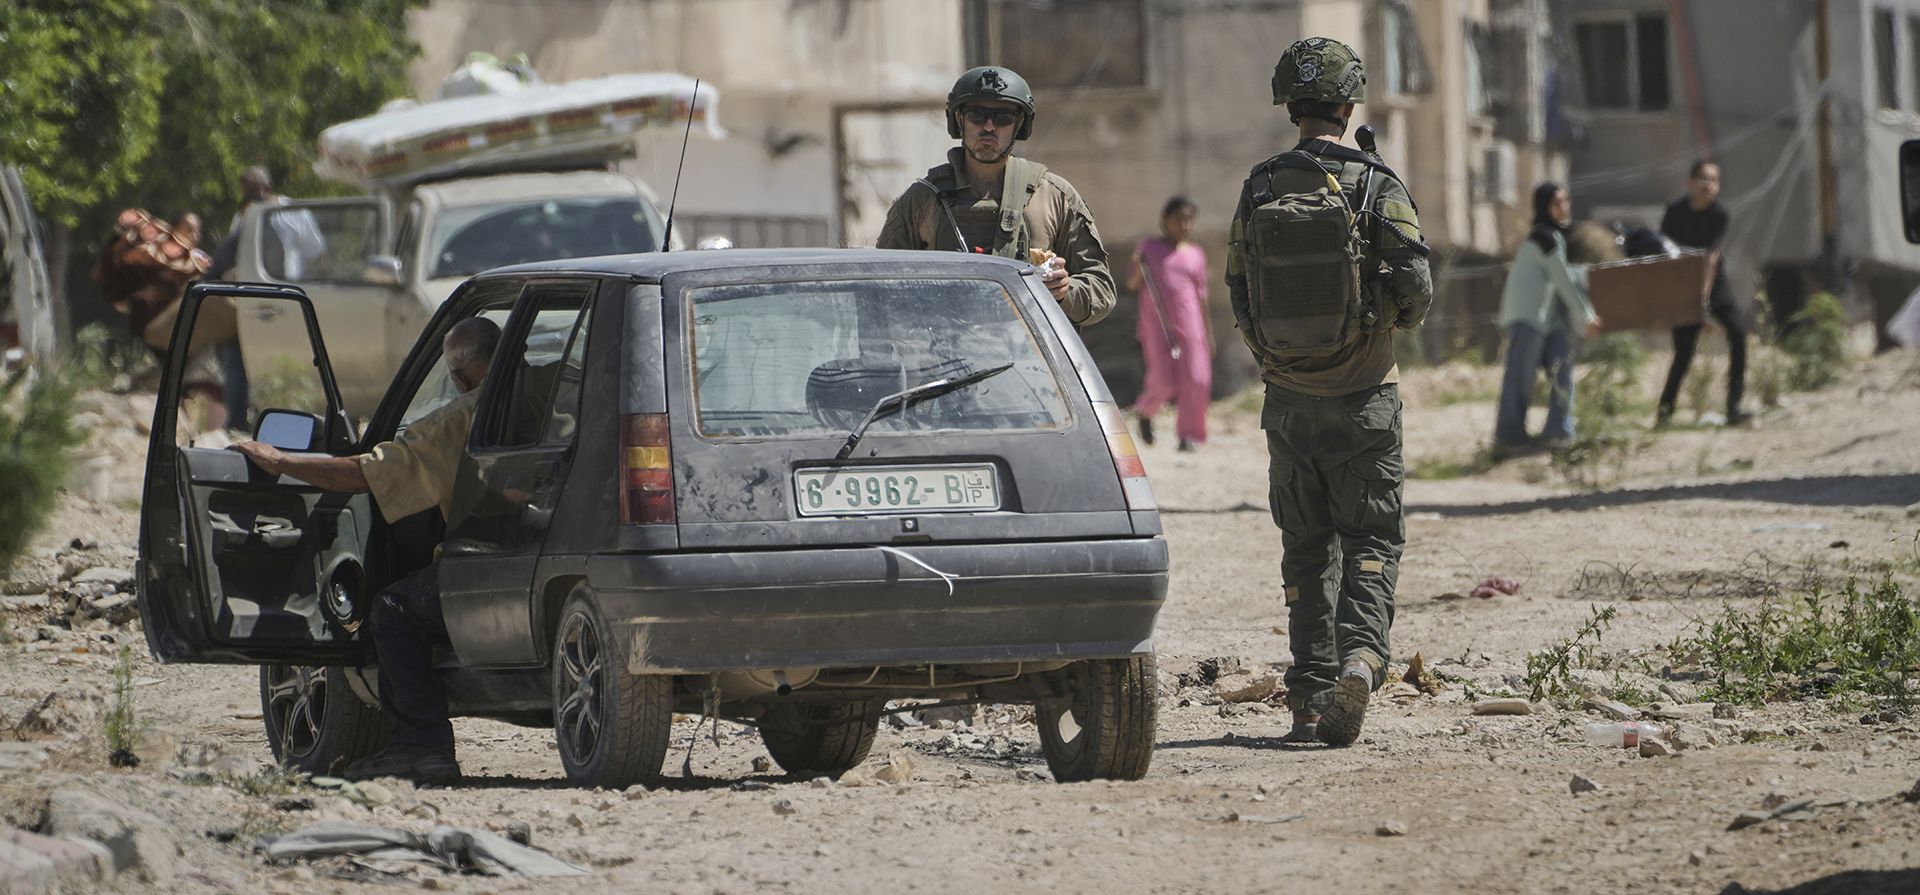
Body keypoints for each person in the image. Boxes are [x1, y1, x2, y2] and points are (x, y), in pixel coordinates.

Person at [1226, 37, 1432, 747]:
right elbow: (1417, 288)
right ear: (1350, 104)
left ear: (1290, 105)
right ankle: (1362, 659)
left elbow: (1237, 289)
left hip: (1287, 403)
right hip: (1366, 396)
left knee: (1305, 551)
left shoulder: (1259, 186)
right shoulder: (1378, 183)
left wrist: (1273, 356)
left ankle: (1310, 700)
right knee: (1371, 539)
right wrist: (1380, 325)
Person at [229, 317, 503, 782]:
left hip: (488, 565)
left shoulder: (459, 419)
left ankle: (422, 746)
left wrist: (280, 462)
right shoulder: (552, 394)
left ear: (458, 378)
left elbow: (367, 474)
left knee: (392, 608)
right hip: (554, 553)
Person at [876, 66, 1115, 326]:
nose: (989, 126)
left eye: (1003, 117)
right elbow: (879, 289)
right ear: (959, 120)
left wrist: (1064, 292)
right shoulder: (922, 200)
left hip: (1032, 359)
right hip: (943, 358)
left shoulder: (1054, 197)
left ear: (1019, 125)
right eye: (977, 114)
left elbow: (1101, 290)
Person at [1493, 183, 1602, 452]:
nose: (1565, 207)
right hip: (1528, 317)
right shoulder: (1545, 238)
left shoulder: (1555, 237)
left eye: (1566, 201)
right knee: (1520, 378)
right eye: (1558, 202)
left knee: (1562, 368)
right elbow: (1563, 280)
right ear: (1545, 206)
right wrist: (1587, 315)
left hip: (1548, 321)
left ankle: (1560, 431)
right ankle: (1509, 436)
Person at [1657, 160, 1750, 427]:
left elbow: (1711, 257)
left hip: (1713, 282)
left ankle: (1734, 406)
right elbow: (1663, 251)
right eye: (1703, 178)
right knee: (1684, 352)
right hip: (1681, 281)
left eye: (1714, 180)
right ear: (1690, 182)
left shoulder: (1719, 214)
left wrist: (1704, 299)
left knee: (1738, 333)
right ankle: (1664, 413)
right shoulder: (1674, 211)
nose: (1708, 184)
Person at [1128, 196, 1212, 451]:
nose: (1184, 225)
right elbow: (1132, 285)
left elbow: (1202, 298)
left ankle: (1189, 436)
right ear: (1165, 221)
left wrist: (1209, 336)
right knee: (1163, 381)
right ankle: (1145, 412)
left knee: (1197, 380)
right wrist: (1138, 267)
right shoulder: (1149, 248)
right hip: (1157, 327)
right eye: (1179, 219)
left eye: (1189, 220)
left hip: (1192, 328)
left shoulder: (1196, 254)